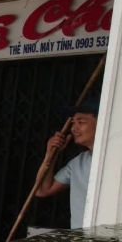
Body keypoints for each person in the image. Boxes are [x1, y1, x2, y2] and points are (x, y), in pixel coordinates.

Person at [36, 96, 99, 229]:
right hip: (81, 240)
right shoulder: (78, 162)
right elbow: (42, 190)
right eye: (73, 123)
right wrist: (51, 154)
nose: (74, 128)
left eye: (81, 122)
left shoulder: (117, 160)